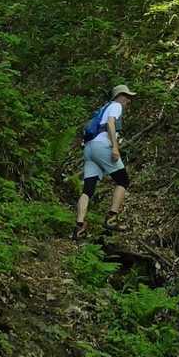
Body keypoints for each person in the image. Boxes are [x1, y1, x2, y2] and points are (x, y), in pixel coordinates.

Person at [73, 84, 135, 241]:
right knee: (123, 180)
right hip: (102, 146)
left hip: (89, 149)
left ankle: (79, 227)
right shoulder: (116, 105)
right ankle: (111, 218)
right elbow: (110, 123)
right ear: (119, 96)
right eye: (127, 96)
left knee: (88, 189)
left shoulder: (103, 109)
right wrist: (115, 147)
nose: (129, 100)